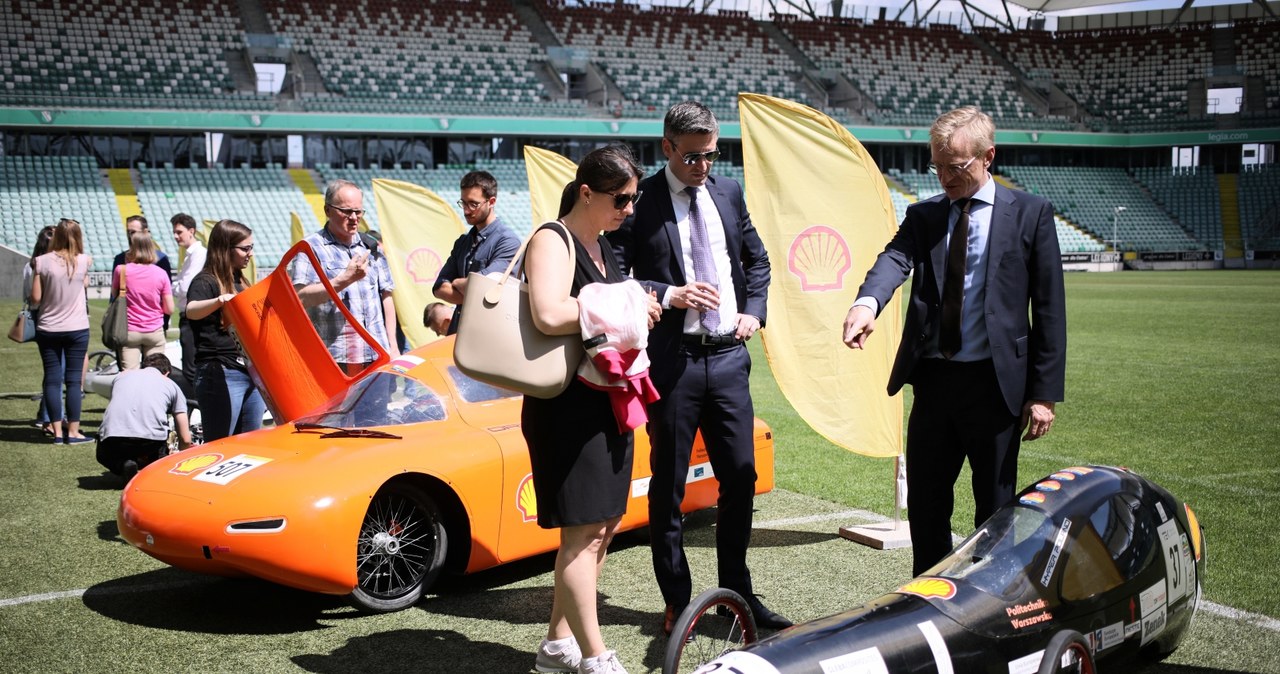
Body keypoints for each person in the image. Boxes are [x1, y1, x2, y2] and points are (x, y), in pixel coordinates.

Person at [841, 106, 1067, 577]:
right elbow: (893, 260)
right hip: (935, 384)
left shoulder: (1031, 214)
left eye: (956, 166)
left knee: (995, 510)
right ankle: (926, 598)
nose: (945, 177)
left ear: (988, 156)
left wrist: (1042, 393)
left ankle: (992, 601)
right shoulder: (923, 217)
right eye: (938, 166)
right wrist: (866, 304)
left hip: (996, 387)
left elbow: (1048, 309)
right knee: (926, 507)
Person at [608, 101, 786, 633]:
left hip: (730, 358)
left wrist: (754, 313)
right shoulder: (638, 201)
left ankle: (736, 595)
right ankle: (678, 601)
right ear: (666, 148)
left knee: (742, 475)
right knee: (669, 487)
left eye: (711, 155)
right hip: (673, 363)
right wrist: (668, 292)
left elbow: (757, 260)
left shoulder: (729, 192)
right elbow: (614, 273)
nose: (702, 166)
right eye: (691, 157)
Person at [523, 145, 659, 674]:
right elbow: (549, 312)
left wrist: (636, 305)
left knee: (602, 529)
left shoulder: (604, 245)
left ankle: (556, 647)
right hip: (567, 408)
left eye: (634, 198)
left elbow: (596, 316)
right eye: (620, 198)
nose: (628, 208)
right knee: (582, 535)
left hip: (606, 400)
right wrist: (624, 304)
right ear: (586, 192)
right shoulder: (551, 239)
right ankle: (596, 659)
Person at [292, 179, 399, 373]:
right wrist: (344, 280)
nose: (354, 218)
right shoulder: (309, 248)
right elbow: (299, 297)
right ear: (327, 211)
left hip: (377, 353)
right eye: (346, 211)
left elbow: (387, 297)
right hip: (335, 359)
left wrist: (393, 346)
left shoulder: (372, 247)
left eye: (358, 211)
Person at [185, 219, 266, 443]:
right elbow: (191, 310)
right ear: (225, 249)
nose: (250, 253)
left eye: (251, 247)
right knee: (221, 445)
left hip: (249, 373)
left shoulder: (240, 279)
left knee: (250, 444)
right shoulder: (205, 281)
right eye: (245, 248)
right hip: (219, 372)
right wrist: (220, 300)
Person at [433, 170, 520, 335]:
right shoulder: (462, 242)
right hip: (458, 333)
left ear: (491, 201)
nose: (466, 210)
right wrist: (470, 292)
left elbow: (484, 287)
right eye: (463, 203)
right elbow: (438, 286)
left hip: (489, 336)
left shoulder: (507, 242)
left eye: (473, 204)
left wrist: (458, 284)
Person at [31, 218, 93, 444]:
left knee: (52, 379)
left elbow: (36, 298)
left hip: (48, 326)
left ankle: (56, 431)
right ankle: (74, 431)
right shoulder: (85, 260)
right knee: (74, 381)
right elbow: (84, 284)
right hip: (77, 328)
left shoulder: (41, 261)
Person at [96, 352, 192, 482]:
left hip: (114, 437)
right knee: (158, 454)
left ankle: (123, 465)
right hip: (151, 441)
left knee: (103, 454)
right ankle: (153, 467)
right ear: (167, 373)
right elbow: (185, 438)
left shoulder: (121, 377)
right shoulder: (171, 385)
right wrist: (182, 454)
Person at [112, 230, 173, 371]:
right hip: (154, 330)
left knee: (130, 377)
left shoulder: (121, 270)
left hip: (129, 330)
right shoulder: (161, 273)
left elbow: (114, 297)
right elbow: (169, 308)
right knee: (155, 375)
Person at [24, 225, 57, 436]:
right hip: (52, 318)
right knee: (56, 372)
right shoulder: (45, 265)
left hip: (41, 317)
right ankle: (48, 417)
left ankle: (47, 415)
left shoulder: (31, 265)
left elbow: (28, 296)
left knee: (52, 370)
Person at [171, 213, 206, 382]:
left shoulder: (198, 254)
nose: (176, 236)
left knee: (191, 368)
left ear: (191, 231)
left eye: (179, 232)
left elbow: (184, 287)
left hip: (192, 317)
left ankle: (195, 404)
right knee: (191, 364)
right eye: (175, 232)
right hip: (189, 315)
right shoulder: (191, 254)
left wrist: (174, 286)